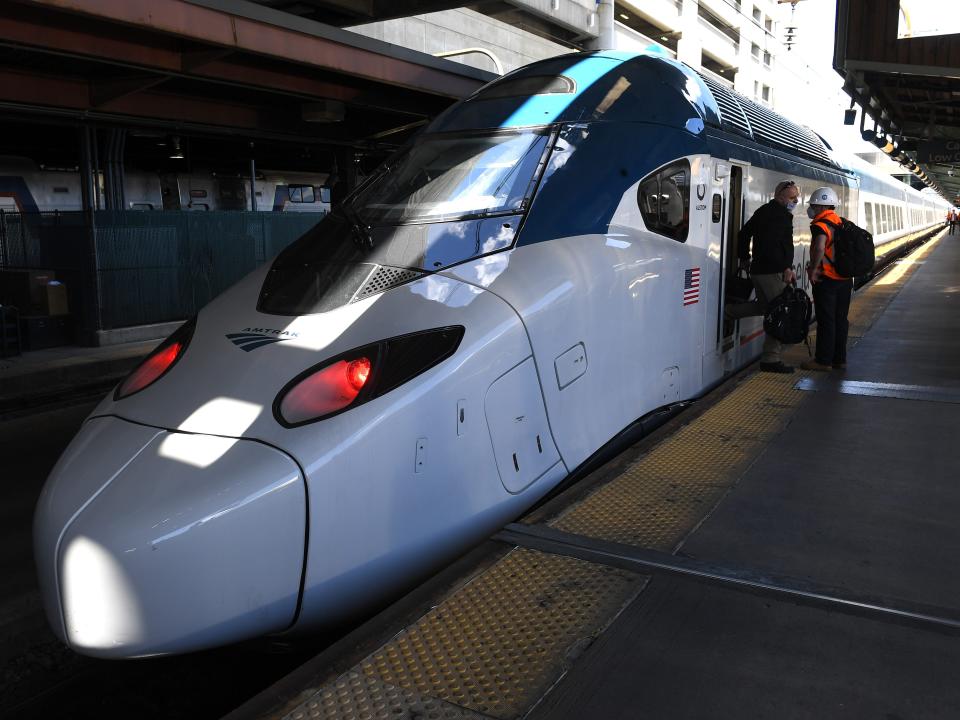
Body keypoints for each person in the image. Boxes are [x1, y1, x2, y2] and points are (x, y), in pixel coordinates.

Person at [726, 179, 799, 373]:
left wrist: (744, 258)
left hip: (759, 270)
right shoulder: (780, 216)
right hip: (773, 271)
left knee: (763, 306)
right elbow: (777, 247)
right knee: (780, 312)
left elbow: (743, 234)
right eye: (793, 197)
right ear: (780, 196)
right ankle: (771, 359)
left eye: (797, 197)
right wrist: (786, 268)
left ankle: (729, 312)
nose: (796, 200)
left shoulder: (763, 211)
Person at [801, 186, 851, 372]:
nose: (811, 209)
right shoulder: (841, 222)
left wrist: (813, 268)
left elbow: (820, 247)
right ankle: (839, 359)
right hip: (845, 279)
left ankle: (823, 361)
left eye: (813, 205)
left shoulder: (820, 225)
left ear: (821, 206)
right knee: (840, 319)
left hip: (828, 279)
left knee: (826, 319)